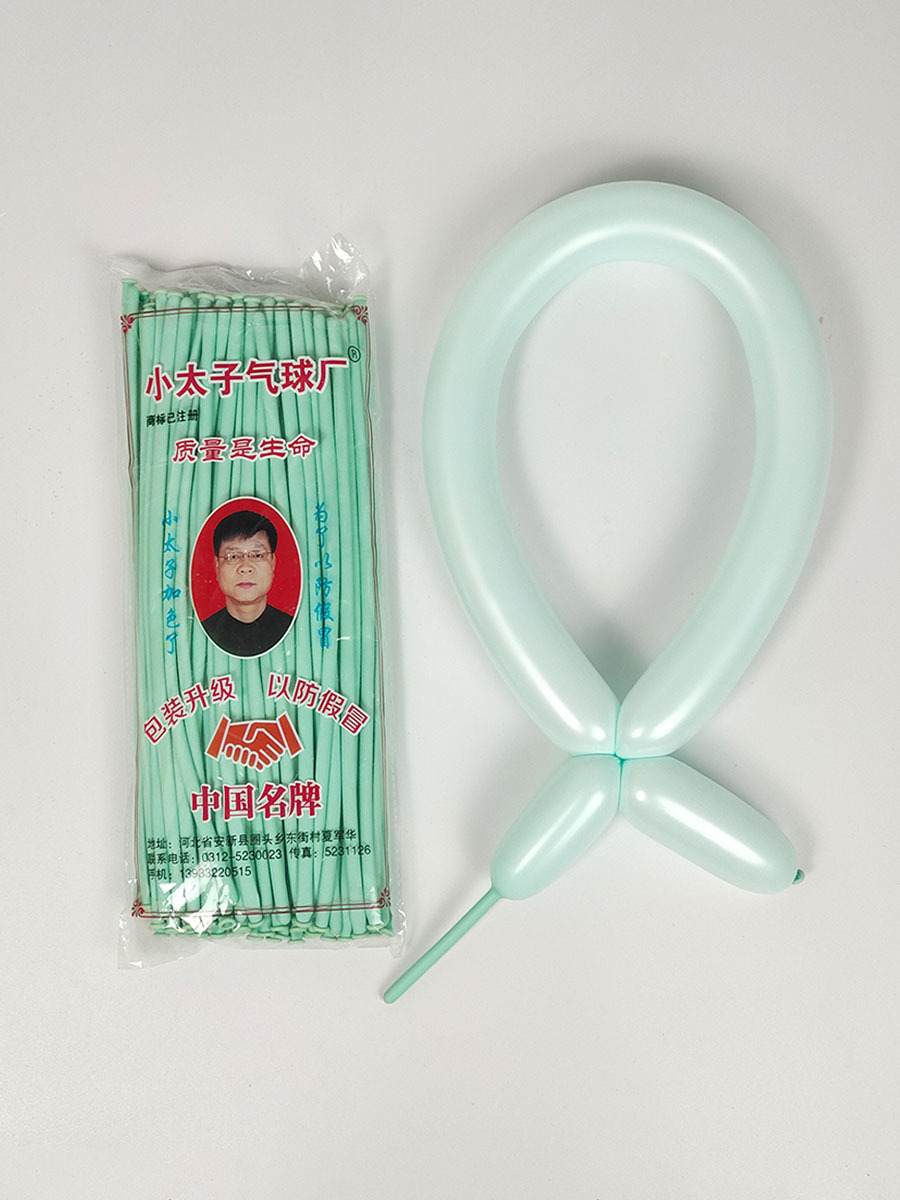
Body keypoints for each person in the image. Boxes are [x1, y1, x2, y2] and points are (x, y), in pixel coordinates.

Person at [201, 510, 293, 656]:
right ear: (217, 566)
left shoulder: (293, 628)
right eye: (233, 556)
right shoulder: (202, 632)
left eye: (257, 555)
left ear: (273, 563)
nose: (245, 567)